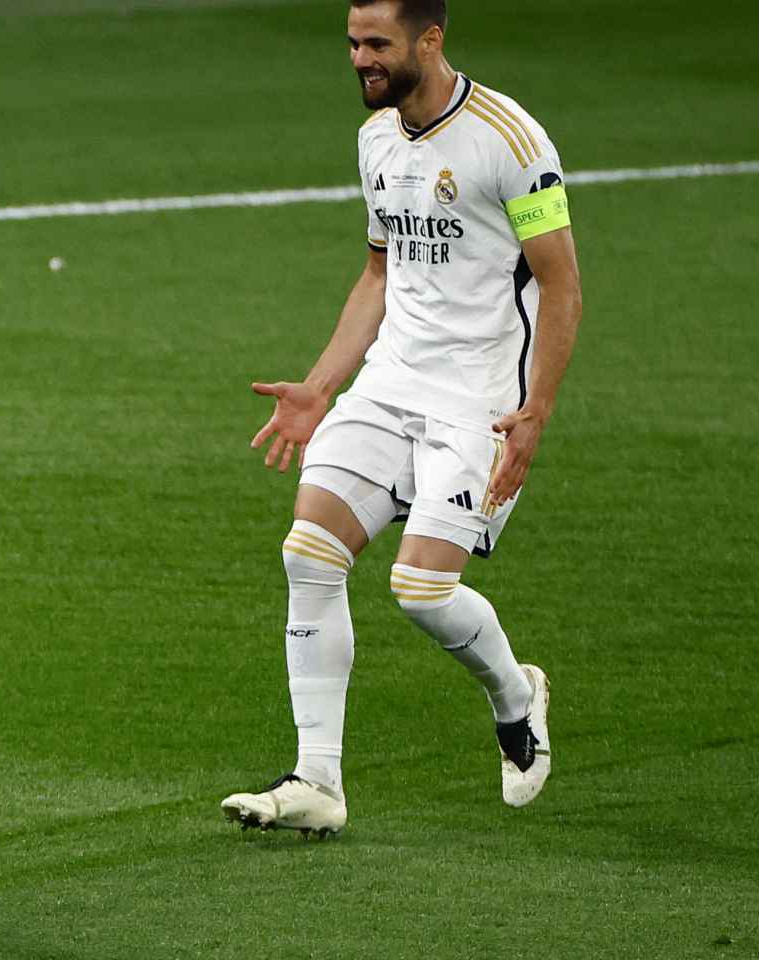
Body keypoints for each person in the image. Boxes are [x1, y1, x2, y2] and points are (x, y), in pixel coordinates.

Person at [221, 0, 583, 835]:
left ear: (431, 38)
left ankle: (515, 692)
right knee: (308, 553)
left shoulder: (511, 141)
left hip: (480, 401)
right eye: (352, 44)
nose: (361, 59)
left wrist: (536, 410)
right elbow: (381, 272)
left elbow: (560, 283)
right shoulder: (377, 137)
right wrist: (319, 387)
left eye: (377, 44)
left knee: (421, 590)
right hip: (391, 382)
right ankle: (317, 781)